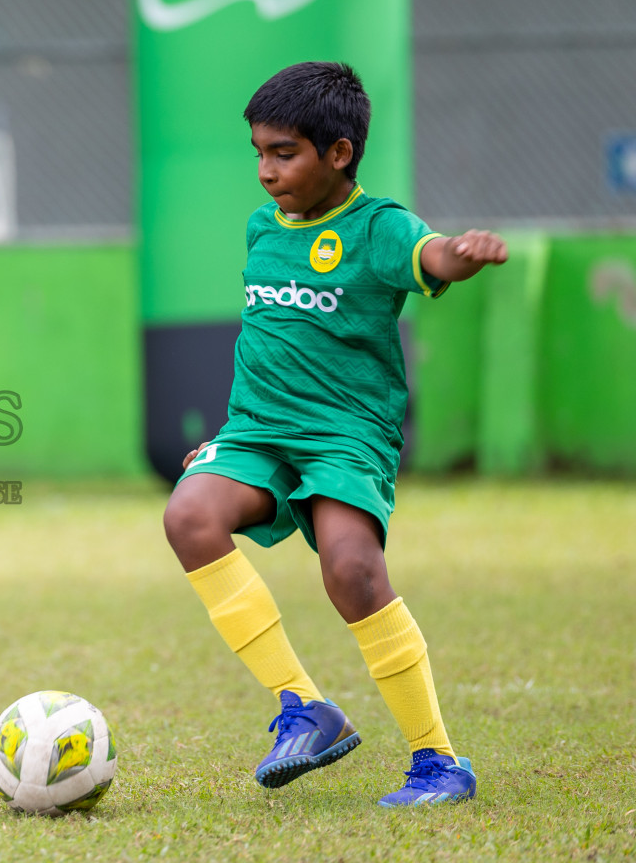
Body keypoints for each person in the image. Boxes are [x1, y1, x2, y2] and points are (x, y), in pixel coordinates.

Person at [162, 62, 507, 807]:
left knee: (351, 569)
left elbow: (431, 256)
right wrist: (224, 445)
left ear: (339, 153)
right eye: (257, 152)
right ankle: (303, 708)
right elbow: (271, 342)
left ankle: (438, 763)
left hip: (345, 438)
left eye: (283, 153)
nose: (265, 171)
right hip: (257, 430)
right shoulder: (263, 228)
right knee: (190, 513)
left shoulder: (377, 228)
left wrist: (462, 254)